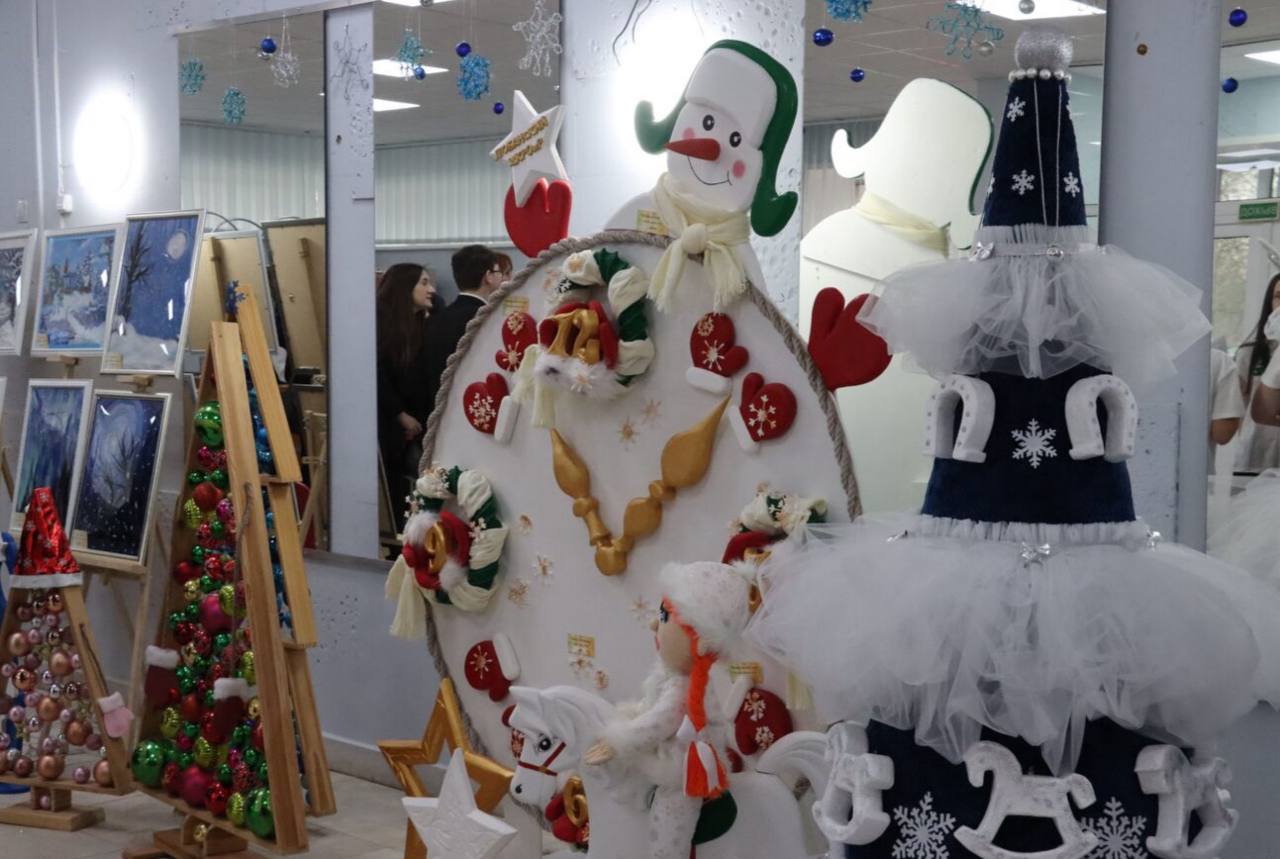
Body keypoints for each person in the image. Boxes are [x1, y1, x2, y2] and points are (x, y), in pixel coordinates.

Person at [376, 264, 437, 525]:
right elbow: (377, 375)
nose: (431, 289)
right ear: (404, 287)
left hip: (417, 420)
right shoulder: (379, 323)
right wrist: (400, 414)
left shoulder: (420, 324)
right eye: (424, 283)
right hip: (389, 424)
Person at [419, 245, 505, 423]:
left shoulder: (437, 318)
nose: (502, 277)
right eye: (499, 272)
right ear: (488, 276)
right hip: (474, 409)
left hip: (438, 410)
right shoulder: (486, 319)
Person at [1232, 274, 1280, 473]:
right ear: (1270, 303)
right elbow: (1240, 407)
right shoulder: (1249, 353)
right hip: (1255, 454)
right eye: (1279, 297)